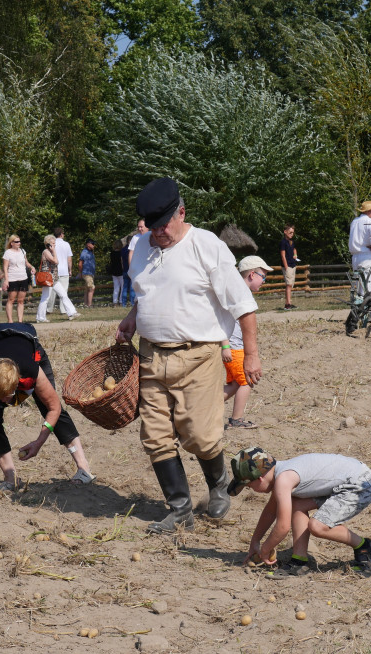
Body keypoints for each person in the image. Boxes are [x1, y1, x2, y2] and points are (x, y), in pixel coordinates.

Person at [116, 177, 260, 534]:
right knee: (155, 436)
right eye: (152, 226)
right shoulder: (144, 246)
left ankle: (219, 482)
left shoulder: (206, 246)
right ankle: (180, 509)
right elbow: (145, 291)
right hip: (150, 356)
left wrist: (253, 355)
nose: (159, 232)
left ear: (182, 212)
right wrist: (133, 318)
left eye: (165, 224)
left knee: (200, 436)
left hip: (199, 356)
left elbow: (243, 304)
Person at [0, 323, 94, 502]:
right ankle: (11, 478)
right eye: (0, 398)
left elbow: (55, 408)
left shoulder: (30, 369)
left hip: (27, 348)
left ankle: (84, 468)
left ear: (17, 386)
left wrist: (39, 442)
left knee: (49, 408)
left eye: (7, 397)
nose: (5, 402)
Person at [231, 447, 371, 578]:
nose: (252, 490)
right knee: (296, 503)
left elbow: (283, 527)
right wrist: (255, 541)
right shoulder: (282, 472)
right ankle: (299, 561)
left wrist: (265, 549)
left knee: (318, 526)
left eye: (250, 486)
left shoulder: (284, 479)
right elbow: (270, 512)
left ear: (260, 478)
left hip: (360, 484)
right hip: (346, 479)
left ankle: (364, 546)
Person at [223, 255, 272, 429]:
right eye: (263, 276)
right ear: (252, 275)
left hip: (235, 349)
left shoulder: (238, 294)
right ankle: (236, 420)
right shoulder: (236, 296)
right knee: (246, 382)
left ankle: (203, 407)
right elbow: (220, 322)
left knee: (235, 384)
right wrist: (225, 345)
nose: (264, 281)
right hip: (234, 350)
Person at [35, 234, 80, 322]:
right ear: (48, 244)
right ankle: (40, 317)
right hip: (48, 279)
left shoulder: (51, 252)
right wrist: (54, 250)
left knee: (63, 294)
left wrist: (53, 251)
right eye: (53, 243)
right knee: (45, 298)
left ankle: (72, 313)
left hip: (54, 279)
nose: (55, 245)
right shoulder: (46, 252)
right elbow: (56, 261)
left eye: (54, 243)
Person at [348, 201, 371, 294]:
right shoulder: (369, 221)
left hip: (355, 257)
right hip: (367, 256)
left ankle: (359, 304)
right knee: (367, 284)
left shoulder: (354, 221)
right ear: (369, 211)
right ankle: (366, 305)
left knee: (359, 283)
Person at [2, 235, 29, 323]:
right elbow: (5, 267)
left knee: (21, 300)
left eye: (19, 241)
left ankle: (20, 321)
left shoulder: (22, 251)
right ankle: (10, 321)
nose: (19, 243)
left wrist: (31, 267)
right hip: (12, 278)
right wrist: (6, 280)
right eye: (16, 242)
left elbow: (26, 262)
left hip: (23, 277)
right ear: (12, 243)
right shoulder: (8, 253)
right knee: (11, 299)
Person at [47, 227, 73, 314]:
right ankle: (63, 309)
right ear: (61, 234)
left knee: (52, 292)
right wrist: (70, 270)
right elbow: (69, 259)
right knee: (64, 291)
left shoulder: (52, 244)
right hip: (64, 270)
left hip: (54, 270)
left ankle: (49, 309)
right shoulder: (66, 244)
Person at [123, 220, 147, 307]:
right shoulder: (135, 238)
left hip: (149, 266)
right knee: (138, 286)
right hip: (139, 266)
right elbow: (131, 253)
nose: (140, 229)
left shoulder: (153, 235)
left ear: (147, 226)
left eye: (141, 227)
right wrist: (131, 267)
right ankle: (136, 304)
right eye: (139, 227)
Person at [279, 224, 300, 309]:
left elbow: (294, 249)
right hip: (287, 266)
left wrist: (295, 254)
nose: (292, 234)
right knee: (288, 284)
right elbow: (283, 255)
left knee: (290, 285)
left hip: (293, 265)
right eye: (290, 232)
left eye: (293, 233)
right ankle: (287, 305)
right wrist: (286, 267)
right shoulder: (283, 242)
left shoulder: (291, 241)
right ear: (285, 232)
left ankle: (289, 303)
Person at [78, 239, 96, 308]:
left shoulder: (90, 252)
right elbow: (80, 264)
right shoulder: (84, 252)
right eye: (93, 244)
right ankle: (89, 305)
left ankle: (86, 304)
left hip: (90, 273)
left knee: (87, 289)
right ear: (88, 244)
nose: (94, 245)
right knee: (91, 288)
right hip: (87, 273)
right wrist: (80, 272)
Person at [108, 239, 125, 306]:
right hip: (120, 271)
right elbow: (121, 262)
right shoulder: (121, 252)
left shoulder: (112, 253)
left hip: (114, 272)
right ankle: (121, 301)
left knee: (116, 287)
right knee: (122, 287)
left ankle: (115, 301)